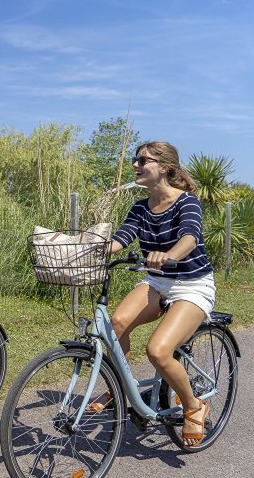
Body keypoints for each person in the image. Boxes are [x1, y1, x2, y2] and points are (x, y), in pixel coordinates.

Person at [98, 141, 215, 447]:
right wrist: (92, 249)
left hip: (192, 284)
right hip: (157, 281)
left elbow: (190, 237)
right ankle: (121, 387)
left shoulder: (186, 202)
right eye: (136, 160)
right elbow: (122, 238)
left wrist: (168, 254)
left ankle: (193, 406)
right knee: (117, 324)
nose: (136, 165)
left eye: (142, 160)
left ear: (163, 167)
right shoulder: (140, 206)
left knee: (159, 351)